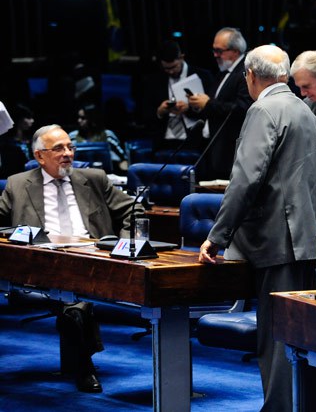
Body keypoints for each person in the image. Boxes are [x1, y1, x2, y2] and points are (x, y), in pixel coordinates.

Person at [198, 45, 316, 411]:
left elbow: (245, 180)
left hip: (272, 240)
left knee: (276, 338)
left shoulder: (263, 109)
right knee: (300, 335)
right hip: (303, 238)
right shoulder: (305, 109)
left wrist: (217, 236)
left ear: (250, 76)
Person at [0, 125, 140, 393]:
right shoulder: (18, 184)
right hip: (43, 262)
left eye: (70, 147)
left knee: (74, 299)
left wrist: (123, 245)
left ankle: (81, 360)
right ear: (39, 156)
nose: (68, 153)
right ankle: (84, 365)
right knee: (73, 302)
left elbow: (133, 211)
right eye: (59, 149)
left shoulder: (94, 178)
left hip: (93, 259)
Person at [187, 27, 253, 180]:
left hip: (229, 149)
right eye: (214, 50)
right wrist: (199, 105)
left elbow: (242, 108)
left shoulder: (244, 73)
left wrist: (208, 103)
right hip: (212, 145)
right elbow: (214, 104)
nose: (215, 55)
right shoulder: (223, 72)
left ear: (235, 51)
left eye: (219, 51)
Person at [142, 40, 212, 152]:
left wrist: (189, 109)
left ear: (181, 58)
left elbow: (211, 110)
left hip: (194, 142)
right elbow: (144, 112)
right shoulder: (154, 80)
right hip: (164, 141)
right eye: (166, 68)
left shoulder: (203, 76)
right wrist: (160, 112)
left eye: (173, 67)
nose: (170, 72)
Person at [68, 104, 129, 173]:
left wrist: (120, 167)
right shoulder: (73, 136)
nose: (79, 120)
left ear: (93, 119)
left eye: (83, 118)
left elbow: (123, 159)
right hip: (80, 175)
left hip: (106, 174)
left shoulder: (108, 135)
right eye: (78, 117)